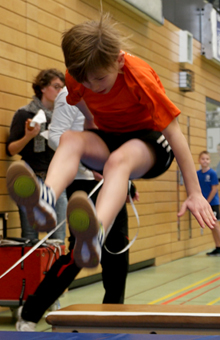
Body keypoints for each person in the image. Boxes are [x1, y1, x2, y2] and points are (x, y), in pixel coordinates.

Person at [6, 14, 216, 270]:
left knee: (118, 161)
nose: (93, 87)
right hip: (110, 136)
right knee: (70, 138)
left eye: (100, 79)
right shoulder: (76, 76)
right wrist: (90, 124)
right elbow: (80, 98)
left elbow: (175, 135)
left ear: (118, 61)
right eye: (86, 81)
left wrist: (194, 193)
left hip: (151, 142)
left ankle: (96, 234)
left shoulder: (138, 75)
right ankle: (46, 200)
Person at [15, 87, 131, 332]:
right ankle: (30, 312)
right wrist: (89, 161)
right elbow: (58, 139)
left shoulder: (113, 90)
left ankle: (112, 317)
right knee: (79, 254)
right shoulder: (68, 95)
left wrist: (128, 180)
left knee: (117, 252)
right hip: (84, 182)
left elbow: (120, 142)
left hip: (112, 181)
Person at [6, 69, 67, 242]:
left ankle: (53, 270)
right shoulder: (24, 114)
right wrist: (29, 136)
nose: (59, 91)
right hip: (30, 179)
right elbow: (11, 150)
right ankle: (32, 270)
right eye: (56, 87)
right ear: (42, 87)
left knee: (58, 238)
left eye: (62, 88)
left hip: (55, 180)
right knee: (30, 237)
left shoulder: (63, 118)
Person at [197, 151, 220, 256]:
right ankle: (217, 247)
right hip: (204, 204)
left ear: (210, 161)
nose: (205, 161)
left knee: (216, 224)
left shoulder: (212, 173)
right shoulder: (197, 174)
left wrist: (207, 202)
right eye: (203, 159)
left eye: (207, 159)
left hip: (212, 203)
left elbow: (214, 189)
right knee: (211, 225)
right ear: (199, 160)